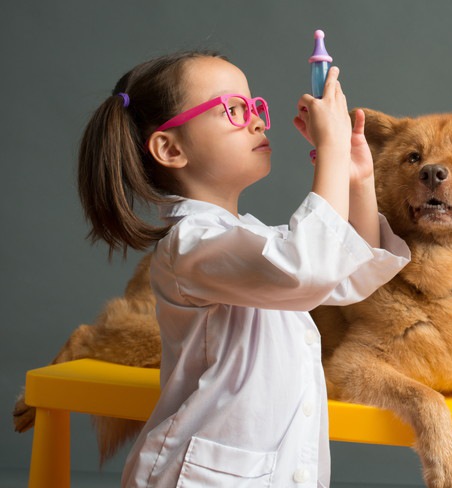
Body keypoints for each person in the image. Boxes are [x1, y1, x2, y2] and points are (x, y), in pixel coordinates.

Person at [77, 50, 409, 487]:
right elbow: (307, 267)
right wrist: (328, 149)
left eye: (255, 107)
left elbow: (349, 274)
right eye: (233, 109)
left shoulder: (249, 241)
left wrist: (356, 179)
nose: (257, 121)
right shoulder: (191, 245)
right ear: (170, 148)